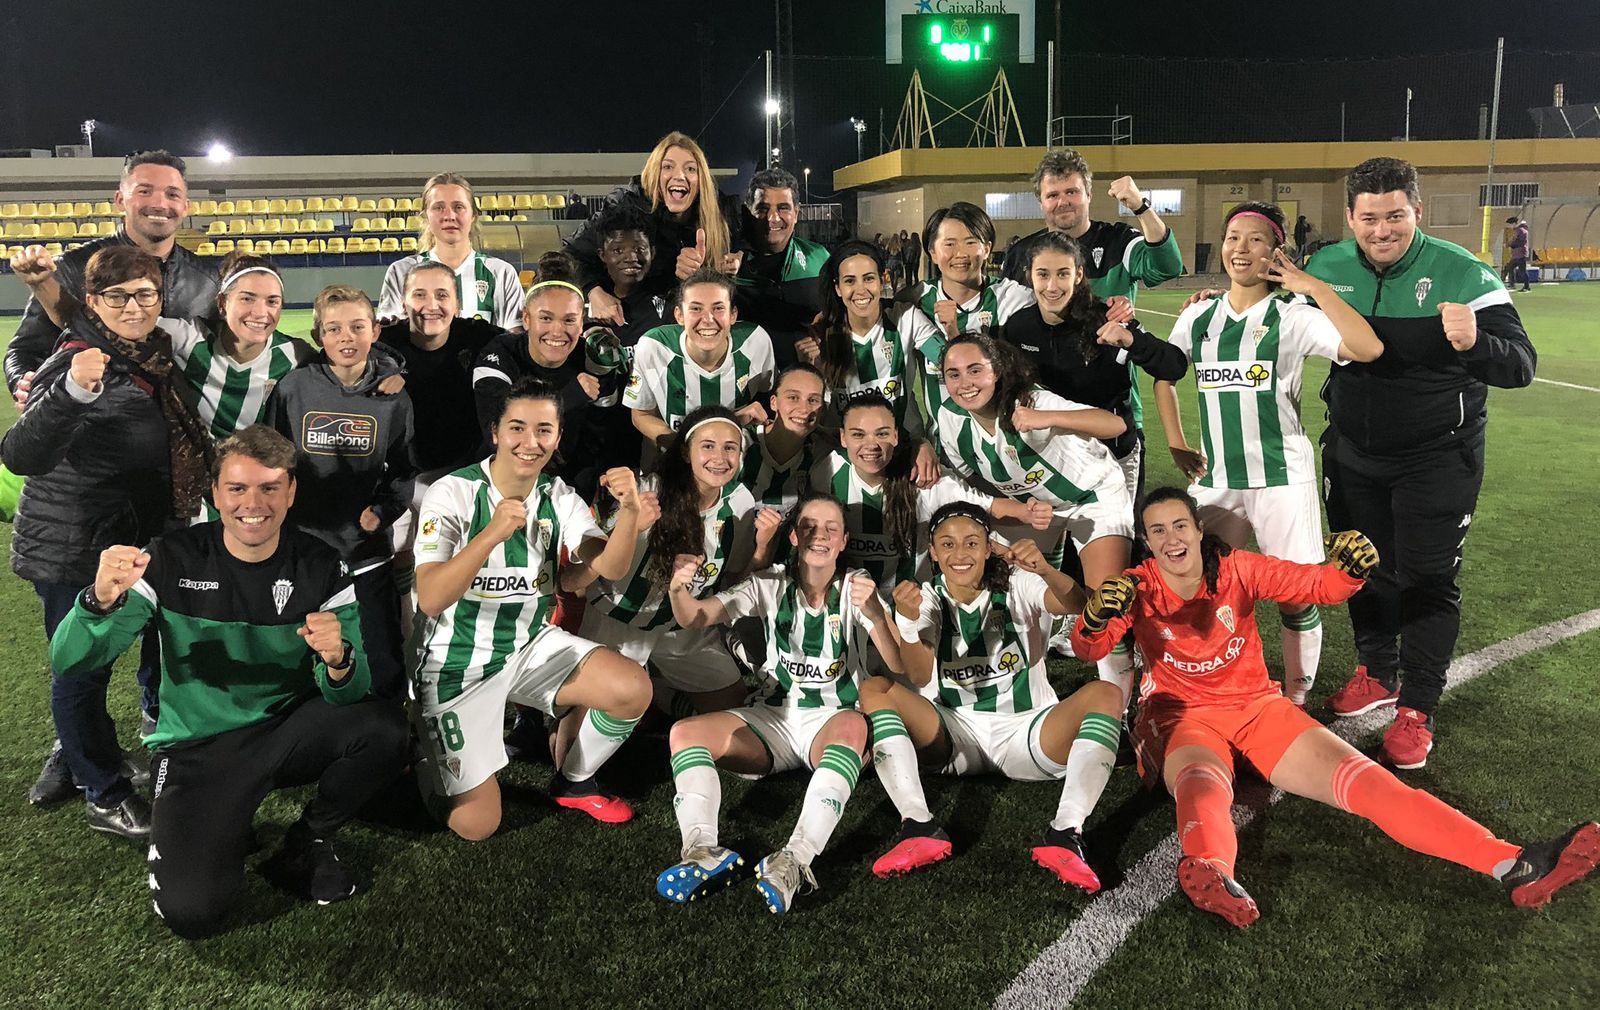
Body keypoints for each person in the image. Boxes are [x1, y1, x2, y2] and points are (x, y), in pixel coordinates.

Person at [1072, 487, 1599, 927]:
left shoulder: (1237, 568)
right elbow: (1089, 647)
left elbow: (1314, 584)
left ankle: (1512, 863)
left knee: (1372, 784)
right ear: (1146, 541)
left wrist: (1348, 570)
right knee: (1201, 782)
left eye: (1179, 525)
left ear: (1197, 529)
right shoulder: (1134, 587)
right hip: (1180, 715)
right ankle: (1210, 868)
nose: (1171, 539)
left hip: (1257, 708)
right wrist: (1094, 620)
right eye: (1158, 530)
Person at [48, 426, 408, 937]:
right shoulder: (170, 559)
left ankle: (306, 844)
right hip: (199, 747)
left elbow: (350, 693)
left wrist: (338, 658)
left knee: (386, 728)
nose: (252, 504)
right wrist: (96, 602)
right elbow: (72, 661)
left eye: (269, 487)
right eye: (237, 489)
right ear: (215, 494)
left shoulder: (323, 567)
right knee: (194, 912)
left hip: (285, 734)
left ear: (291, 493)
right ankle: (225, 824)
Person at [1309, 158, 1535, 768]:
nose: (1382, 230)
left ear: (1417, 211)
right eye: (1369, 218)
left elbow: (1520, 365)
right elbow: (1270, 304)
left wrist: (1474, 342)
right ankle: (1376, 672)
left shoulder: (1464, 272)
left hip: (1438, 458)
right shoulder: (1325, 267)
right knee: (1361, 564)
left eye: (1395, 215)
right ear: (1350, 217)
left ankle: (1418, 705)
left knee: (1427, 579)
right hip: (1353, 454)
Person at [2, 245, 214, 836]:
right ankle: (102, 791)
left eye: (145, 294)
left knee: (134, 651)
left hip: (128, 534)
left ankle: (100, 761)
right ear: (93, 301)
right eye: (118, 296)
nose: (133, 305)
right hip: (74, 542)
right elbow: (20, 454)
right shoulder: (75, 356)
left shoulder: (154, 352)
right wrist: (72, 391)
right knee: (81, 669)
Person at [1153, 202, 1383, 708]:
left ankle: (1296, 699)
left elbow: (1367, 349)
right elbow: (1165, 375)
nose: (1241, 248)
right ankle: (1214, 683)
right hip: (1217, 479)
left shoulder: (1294, 317)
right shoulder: (1198, 313)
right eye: (1233, 237)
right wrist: (1174, 439)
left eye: (1255, 239)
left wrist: (1314, 289)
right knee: (1203, 589)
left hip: (1282, 478)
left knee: (1296, 597)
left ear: (1276, 251)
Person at [410, 378, 653, 838]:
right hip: (458, 662)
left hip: (528, 646)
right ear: (496, 432)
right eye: (517, 428)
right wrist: (489, 535)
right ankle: (425, 755)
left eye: (544, 430)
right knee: (477, 824)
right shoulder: (452, 493)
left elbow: (607, 565)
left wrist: (631, 515)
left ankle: (575, 781)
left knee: (631, 687)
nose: (530, 442)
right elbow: (431, 597)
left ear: (558, 438)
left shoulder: (558, 495)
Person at [656, 492, 904, 913]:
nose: (819, 535)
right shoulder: (767, 583)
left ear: (844, 542)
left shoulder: (856, 588)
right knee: (684, 732)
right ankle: (701, 851)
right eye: (809, 526)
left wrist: (878, 615)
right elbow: (695, 617)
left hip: (830, 721)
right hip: (771, 718)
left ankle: (794, 860)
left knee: (854, 725)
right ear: (793, 536)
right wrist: (678, 587)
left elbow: (897, 663)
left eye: (831, 529)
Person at [860, 503, 1122, 889]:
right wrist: (910, 621)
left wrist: (1047, 570)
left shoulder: (1018, 583)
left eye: (971, 543)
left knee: (1107, 694)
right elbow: (916, 672)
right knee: (875, 689)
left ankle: (1066, 832)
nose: (959, 554)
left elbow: (1076, 605)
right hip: (954, 734)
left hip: (1028, 731)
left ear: (988, 548)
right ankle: (918, 824)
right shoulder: (924, 598)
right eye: (947, 545)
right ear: (932, 552)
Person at [936, 332, 1136, 673]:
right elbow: (973, 478)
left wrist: (1049, 418)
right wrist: (1017, 511)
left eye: (975, 370)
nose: (964, 383)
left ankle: (1119, 706)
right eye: (953, 374)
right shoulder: (950, 418)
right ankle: (1020, 666)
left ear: (996, 371)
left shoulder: (1031, 401)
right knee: (990, 566)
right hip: (1036, 507)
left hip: (1093, 496)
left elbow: (1114, 423)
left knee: (1104, 605)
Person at [576, 405, 782, 715]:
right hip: (617, 620)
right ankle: (653, 691)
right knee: (573, 743)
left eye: (730, 448)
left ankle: (663, 692)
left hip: (681, 630)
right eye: (708, 446)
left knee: (733, 709)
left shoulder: (740, 502)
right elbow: (583, 574)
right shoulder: (646, 491)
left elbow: (732, 582)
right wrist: (629, 526)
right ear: (686, 452)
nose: (720, 457)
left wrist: (762, 548)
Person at [269, 285, 416, 701]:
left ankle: (389, 738)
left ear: (374, 331)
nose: (346, 337)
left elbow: (404, 468)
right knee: (303, 645)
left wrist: (384, 511)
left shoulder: (393, 397)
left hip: (364, 548)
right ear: (319, 337)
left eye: (356, 327)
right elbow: (273, 457)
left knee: (379, 648)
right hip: (303, 545)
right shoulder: (294, 389)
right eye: (334, 329)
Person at [6, 151, 218, 408]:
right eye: (145, 191)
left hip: (183, 435)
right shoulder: (73, 268)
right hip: (95, 433)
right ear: (120, 200)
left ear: (186, 206)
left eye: (172, 194)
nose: (159, 203)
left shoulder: (208, 279)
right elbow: (25, 350)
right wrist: (23, 382)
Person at [999, 150, 1184, 438]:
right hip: (1044, 413)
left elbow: (1168, 267)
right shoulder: (1022, 253)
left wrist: (1140, 206)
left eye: (1072, 191)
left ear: (1089, 194)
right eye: (1053, 195)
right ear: (1041, 202)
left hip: (1111, 407)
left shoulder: (1117, 241)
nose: (1063, 201)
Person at [1001, 231, 1187, 509]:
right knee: (1060, 548)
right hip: (1055, 457)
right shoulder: (1017, 327)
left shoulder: (1107, 318)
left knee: (1118, 544)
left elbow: (1173, 364)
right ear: (1030, 276)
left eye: (1063, 274)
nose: (1052, 286)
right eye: (1043, 274)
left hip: (1113, 454)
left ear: (1078, 275)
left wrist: (1131, 340)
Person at [814, 392, 1049, 588]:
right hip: (847, 599)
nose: (871, 445)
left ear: (896, 436)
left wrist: (1029, 512)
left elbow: (988, 507)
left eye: (882, 433)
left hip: (914, 600)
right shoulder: (826, 472)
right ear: (843, 438)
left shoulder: (922, 478)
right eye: (858, 434)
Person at [472, 253, 627, 499]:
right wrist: (569, 396)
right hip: (501, 484)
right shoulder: (501, 353)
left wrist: (583, 492)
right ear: (526, 319)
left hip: (568, 489)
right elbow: (497, 435)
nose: (557, 331)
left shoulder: (591, 356)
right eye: (545, 318)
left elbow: (602, 437)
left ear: (581, 324)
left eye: (569, 320)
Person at [565, 131, 745, 328]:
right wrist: (594, 292)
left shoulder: (723, 212)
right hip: (632, 325)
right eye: (667, 167)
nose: (679, 175)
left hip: (696, 329)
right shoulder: (625, 207)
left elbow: (759, 249)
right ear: (654, 173)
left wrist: (736, 264)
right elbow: (570, 254)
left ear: (701, 179)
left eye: (691, 169)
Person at [908, 203, 1036, 429]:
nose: (960, 254)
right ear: (933, 253)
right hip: (942, 448)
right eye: (949, 244)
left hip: (1003, 437)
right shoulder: (915, 300)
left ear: (986, 249)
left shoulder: (1012, 297)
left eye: (970, 242)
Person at [624, 268, 776, 454]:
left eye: (718, 308)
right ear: (679, 315)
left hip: (738, 465)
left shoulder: (756, 342)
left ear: (733, 315)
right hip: (676, 460)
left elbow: (766, 397)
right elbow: (640, 414)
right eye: (696, 308)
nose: (708, 319)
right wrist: (683, 448)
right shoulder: (653, 347)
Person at [811, 241, 937, 459]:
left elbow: (949, 359)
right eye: (850, 281)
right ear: (838, 288)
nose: (861, 290)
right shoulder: (822, 336)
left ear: (882, 279)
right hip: (843, 457)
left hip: (906, 450)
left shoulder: (906, 318)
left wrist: (923, 442)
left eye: (869, 278)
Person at [377, 172, 525, 329]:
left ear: (474, 215)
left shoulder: (501, 273)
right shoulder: (402, 271)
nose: (449, 216)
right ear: (426, 216)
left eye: (458, 207)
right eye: (439, 207)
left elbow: (514, 337)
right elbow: (389, 336)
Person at [734, 167, 829, 367]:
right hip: (744, 390)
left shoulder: (819, 258)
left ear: (796, 213)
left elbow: (843, 318)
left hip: (799, 387)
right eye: (763, 208)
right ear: (748, 212)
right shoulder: (726, 263)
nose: (773, 218)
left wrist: (826, 335)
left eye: (783, 207)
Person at [740, 364, 833, 513]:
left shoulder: (820, 452)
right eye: (793, 397)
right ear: (773, 402)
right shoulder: (741, 442)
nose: (804, 409)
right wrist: (730, 420)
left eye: (813, 400)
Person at [1505, 216, 1531, 292]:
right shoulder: (1518, 230)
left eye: (1511, 224)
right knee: (1510, 267)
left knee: (1522, 270)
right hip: (1516, 254)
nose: (1511, 226)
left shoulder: (1521, 231)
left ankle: (1526, 286)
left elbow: (1519, 242)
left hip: (1520, 254)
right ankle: (1512, 284)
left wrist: (1510, 244)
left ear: (1514, 223)